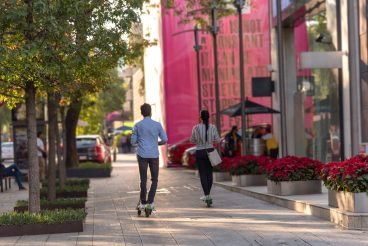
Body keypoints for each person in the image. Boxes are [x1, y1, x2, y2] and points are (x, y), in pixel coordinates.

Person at [131, 103, 168, 214]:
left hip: (142, 154)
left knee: (143, 179)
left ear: (142, 113)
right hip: (154, 155)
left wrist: (140, 141)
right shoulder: (157, 125)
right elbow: (165, 139)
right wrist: (156, 143)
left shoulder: (137, 125)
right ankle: (150, 202)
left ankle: (142, 202)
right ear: (150, 112)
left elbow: (132, 142)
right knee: (154, 179)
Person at [190, 110, 221, 206]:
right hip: (210, 151)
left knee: (203, 174)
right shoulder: (213, 127)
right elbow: (217, 140)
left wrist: (198, 140)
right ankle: (208, 195)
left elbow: (192, 140)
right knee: (209, 174)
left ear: (200, 117)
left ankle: (207, 195)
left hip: (200, 152)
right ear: (209, 117)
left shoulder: (196, 128)